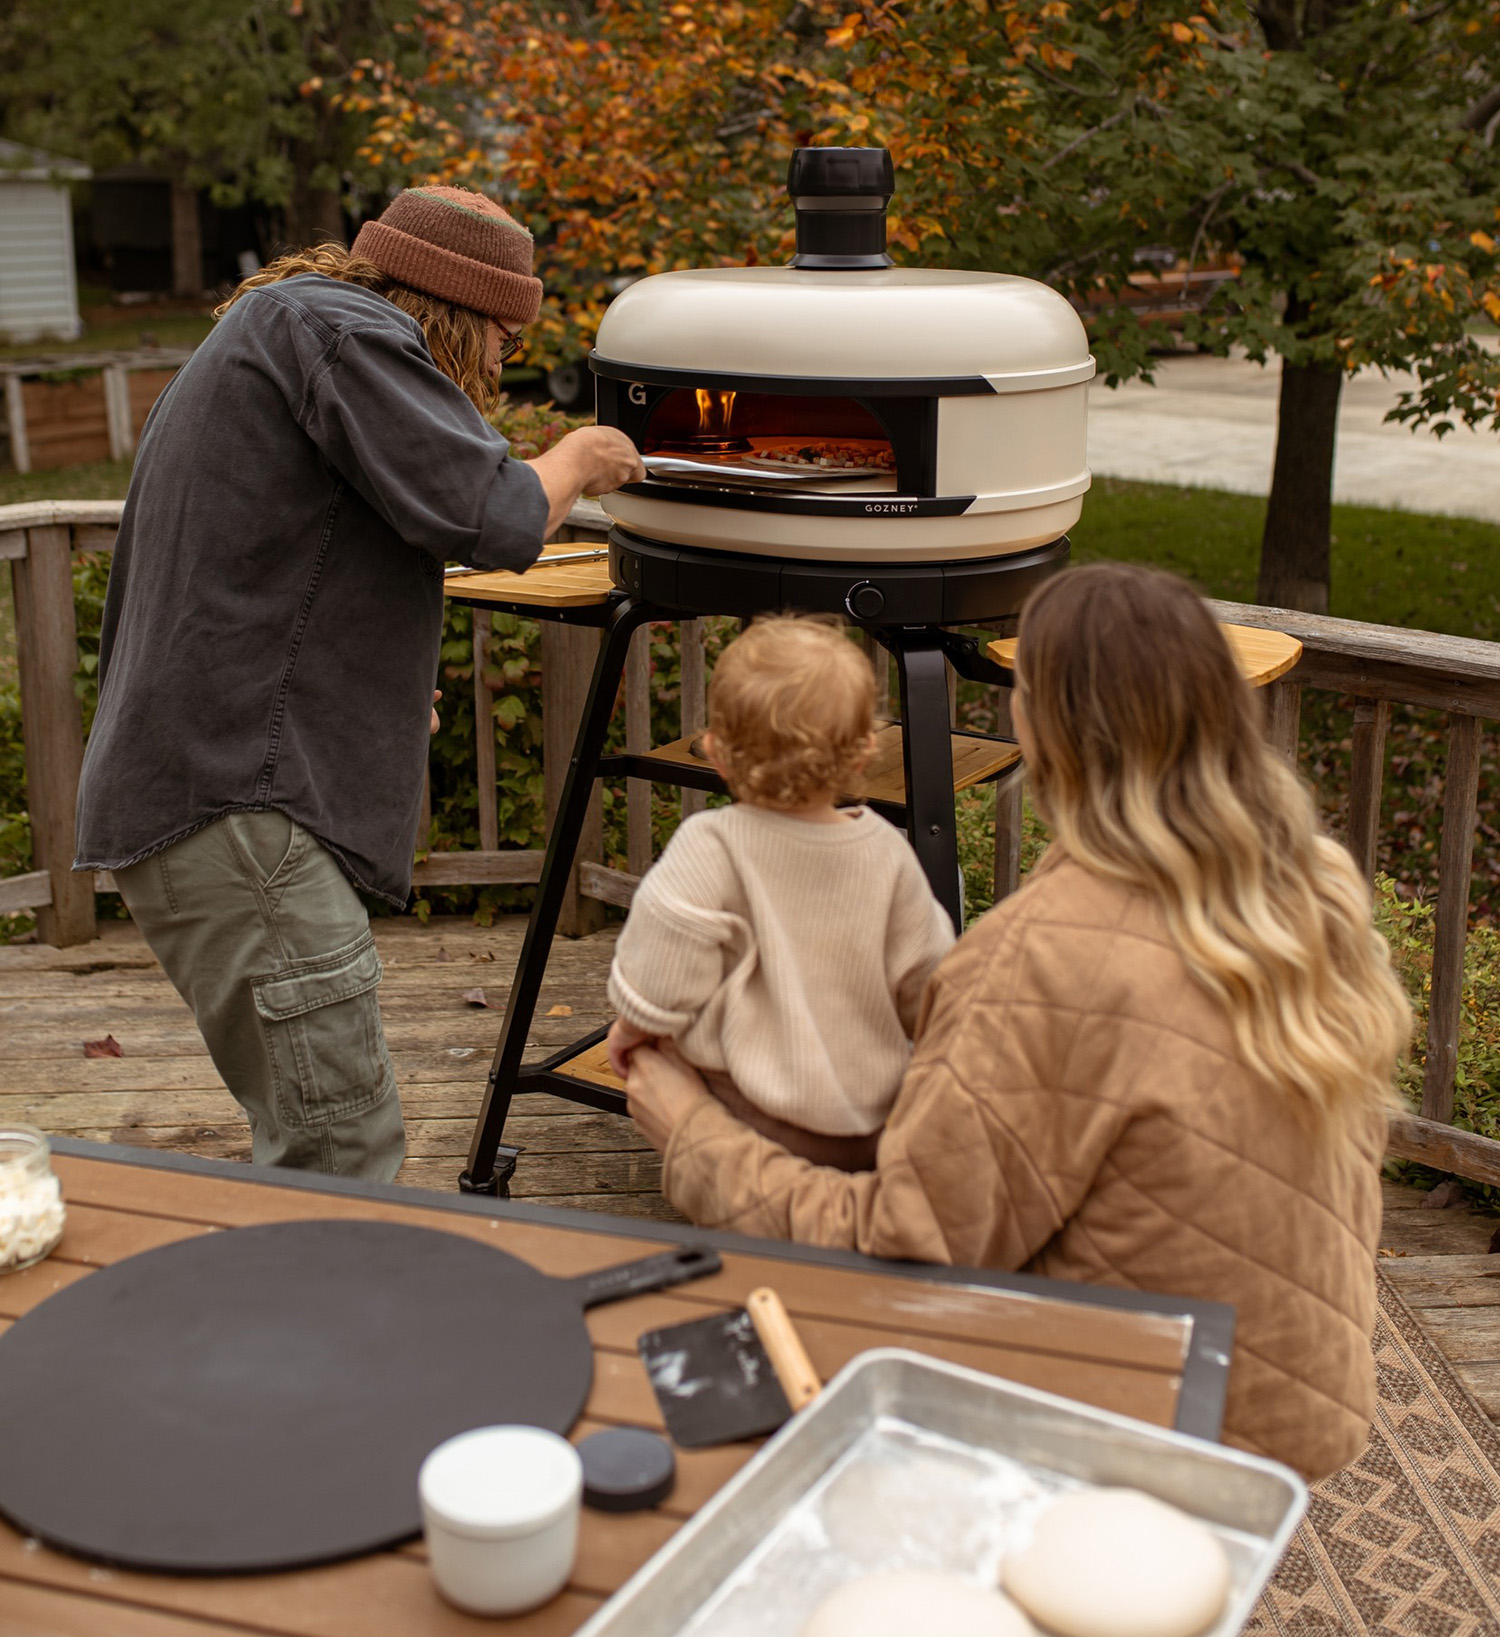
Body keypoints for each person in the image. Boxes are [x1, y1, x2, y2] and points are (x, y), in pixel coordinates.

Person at [626, 564, 1411, 1482]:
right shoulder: (1307, 886)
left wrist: (692, 1135)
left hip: (1142, 1421)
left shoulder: (1042, 958)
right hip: (1290, 1400)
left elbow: (899, 1251)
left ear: (1049, 728)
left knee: (704, 1396)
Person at [73, 185, 644, 1182]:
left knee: (316, 1144)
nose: (501, 367)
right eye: (506, 338)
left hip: (207, 805)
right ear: (460, 311)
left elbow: (282, 565)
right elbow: (489, 509)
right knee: (340, 1156)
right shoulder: (337, 328)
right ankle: (322, 1336)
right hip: (239, 817)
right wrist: (582, 457)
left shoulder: (286, 329)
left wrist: (366, 686)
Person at [606, 617, 954, 1171]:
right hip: (869, 1126)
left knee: (674, 1040)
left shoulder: (711, 844)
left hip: (744, 1116)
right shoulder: (887, 852)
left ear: (716, 752)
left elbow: (665, 976)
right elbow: (929, 984)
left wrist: (631, 1030)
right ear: (863, 753)